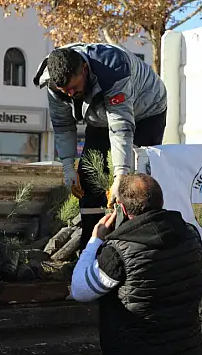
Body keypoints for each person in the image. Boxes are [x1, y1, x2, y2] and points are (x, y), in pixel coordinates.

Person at [32, 43, 168, 250]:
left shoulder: (113, 70)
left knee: (136, 184)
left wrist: (121, 175)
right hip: (99, 116)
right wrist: (68, 166)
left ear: (84, 70)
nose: (70, 94)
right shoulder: (53, 81)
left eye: (75, 89)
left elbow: (120, 128)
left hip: (147, 110)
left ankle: (136, 250)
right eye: (65, 90)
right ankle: (91, 248)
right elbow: (62, 125)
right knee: (88, 176)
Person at [70, 173, 202, 355]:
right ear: (162, 201)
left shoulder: (118, 252)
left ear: (122, 208)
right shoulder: (190, 234)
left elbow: (80, 290)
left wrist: (95, 240)